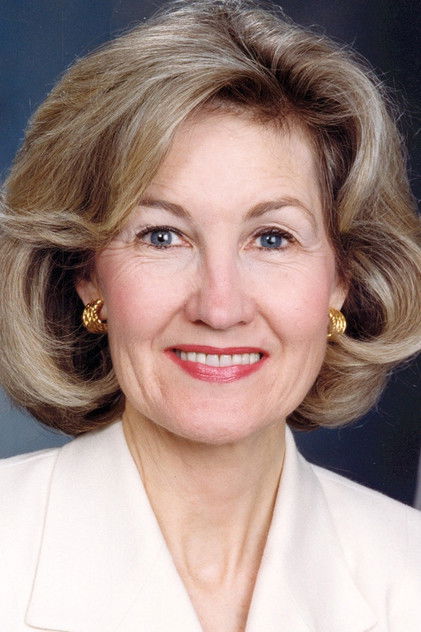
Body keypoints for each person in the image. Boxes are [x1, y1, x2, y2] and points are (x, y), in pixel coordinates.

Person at [0, 0, 420, 630]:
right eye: (162, 236)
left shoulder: (408, 574)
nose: (220, 308)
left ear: (342, 279)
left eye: (272, 238)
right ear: (86, 272)